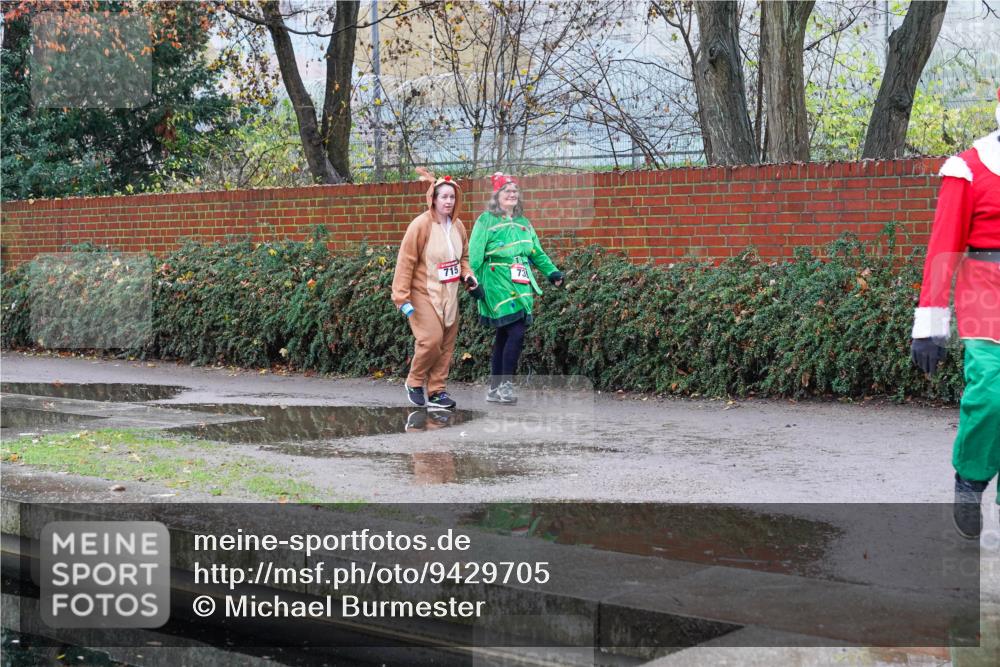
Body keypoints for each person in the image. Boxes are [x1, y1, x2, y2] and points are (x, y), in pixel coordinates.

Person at [910, 87, 1000, 539]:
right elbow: (943, 247)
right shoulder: (969, 168)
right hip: (987, 293)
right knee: (991, 393)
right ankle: (970, 478)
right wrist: (930, 327)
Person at [468, 172, 564, 404]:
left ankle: (494, 388)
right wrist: (472, 282)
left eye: (514, 191)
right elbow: (474, 256)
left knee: (505, 333)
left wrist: (552, 272)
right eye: (506, 191)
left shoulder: (524, 223)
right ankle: (505, 385)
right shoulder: (485, 221)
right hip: (495, 282)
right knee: (516, 331)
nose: (512, 194)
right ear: (497, 195)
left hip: (521, 283)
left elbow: (536, 253)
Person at [392, 168, 481, 409]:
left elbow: (463, 258)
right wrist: (401, 298)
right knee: (431, 340)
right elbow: (406, 261)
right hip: (423, 294)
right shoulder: (420, 226)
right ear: (433, 198)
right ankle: (414, 381)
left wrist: (469, 276)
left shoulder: (458, 226)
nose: (449, 201)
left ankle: (437, 391)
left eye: (452, 197)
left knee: (446, 345)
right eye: (444, 197)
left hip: (449, 295)